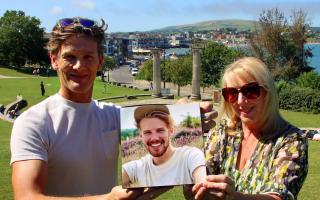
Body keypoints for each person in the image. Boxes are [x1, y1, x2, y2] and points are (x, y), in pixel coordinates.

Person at [10, 17, 216, 199]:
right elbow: (26, 196)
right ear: (54, 60)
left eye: (88, 57)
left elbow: (159, 135)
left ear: (100, 61)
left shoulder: (112, 115)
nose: (79, 66)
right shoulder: (32, 122)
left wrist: (188, 114)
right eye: (70, 57)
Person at [189, 57, 308, 200]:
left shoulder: (292, 140)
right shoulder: (223, 132)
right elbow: (192, 190)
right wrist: (185, 124)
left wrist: (235, 198)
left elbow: (279, 196)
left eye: (250, 90)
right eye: (232, 93)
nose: (240, 101)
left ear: (268, 92)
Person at [122, 105, 206, 188]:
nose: (154, 138)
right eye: (147, 132)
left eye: (160, 130)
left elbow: (201, 178)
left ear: (171, 131)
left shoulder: (190, 155)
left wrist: (203, 185)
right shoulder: (138, 167)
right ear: (141, 135)